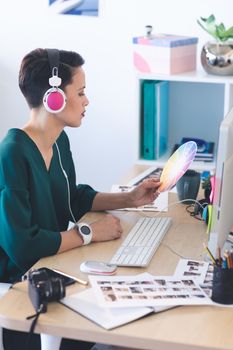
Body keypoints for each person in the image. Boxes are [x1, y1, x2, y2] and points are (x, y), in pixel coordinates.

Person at [0, 48, 161, 349]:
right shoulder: (13, 152)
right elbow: (22, 246)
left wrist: (130, 198)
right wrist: (87, 234)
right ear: (54, 97)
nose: (87, 101)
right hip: (24, 290)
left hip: (59, 266)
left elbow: (71, 198)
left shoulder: (58, 140)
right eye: (81, 92)